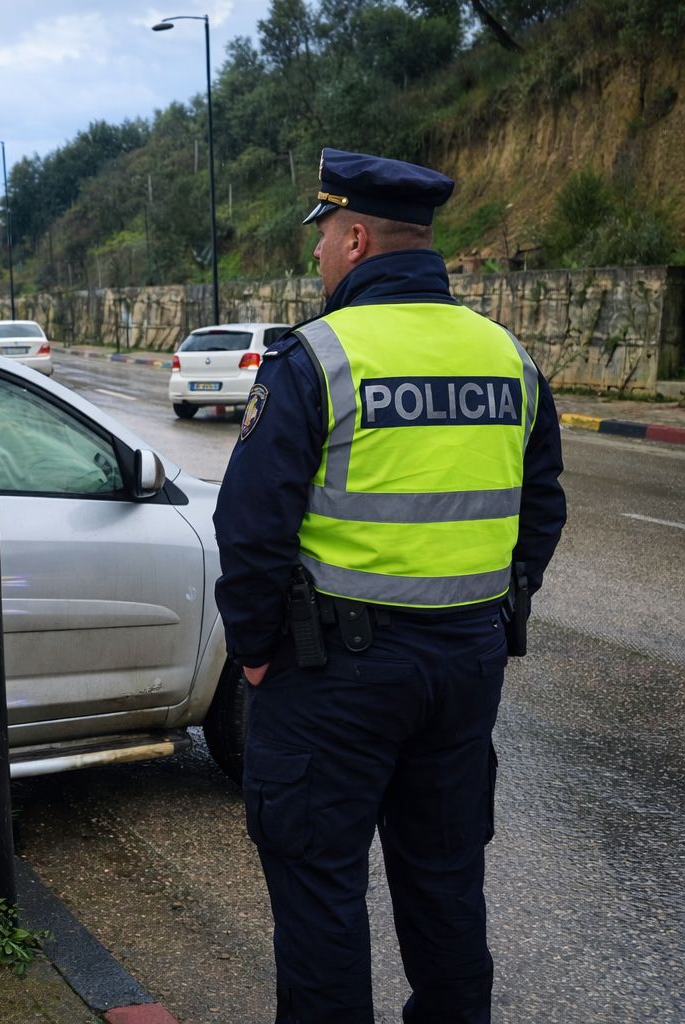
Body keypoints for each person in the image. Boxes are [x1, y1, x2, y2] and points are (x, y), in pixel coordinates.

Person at [213, 148, 566, 1023]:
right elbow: (542, 510)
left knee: (320, 893)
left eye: (325, 238)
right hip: (463, 672)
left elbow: (250, 529)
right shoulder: (507, 357)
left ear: (358, 239)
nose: (320, 256)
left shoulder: (320, 358)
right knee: (447, 886)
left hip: (333, 675)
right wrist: (493, 609)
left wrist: (255, 656)